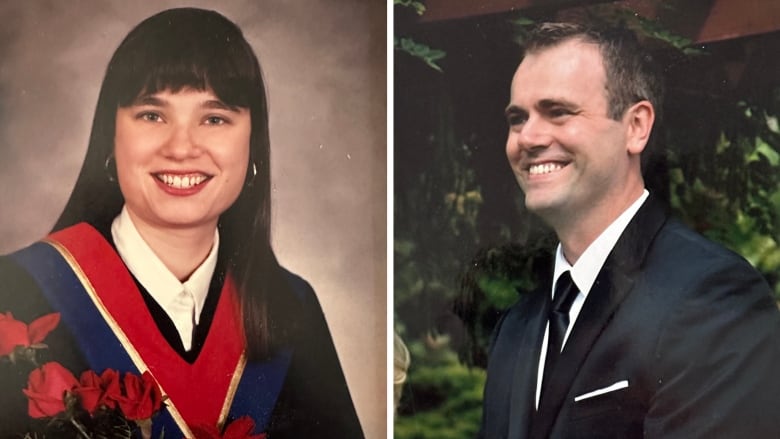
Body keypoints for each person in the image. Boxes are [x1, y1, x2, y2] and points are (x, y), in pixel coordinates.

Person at [0, 8, 363, 438]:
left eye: (215, 118)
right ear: (110, 140)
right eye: (152, 115)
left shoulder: (290, 308)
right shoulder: (18, 292)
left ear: (251, 146)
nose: (182, 148)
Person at [479, 22, 780, 438]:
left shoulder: (712, 298)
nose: (527, 137)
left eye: (558, 112)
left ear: (636, 126)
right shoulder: (516, 327)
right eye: (517, 119)